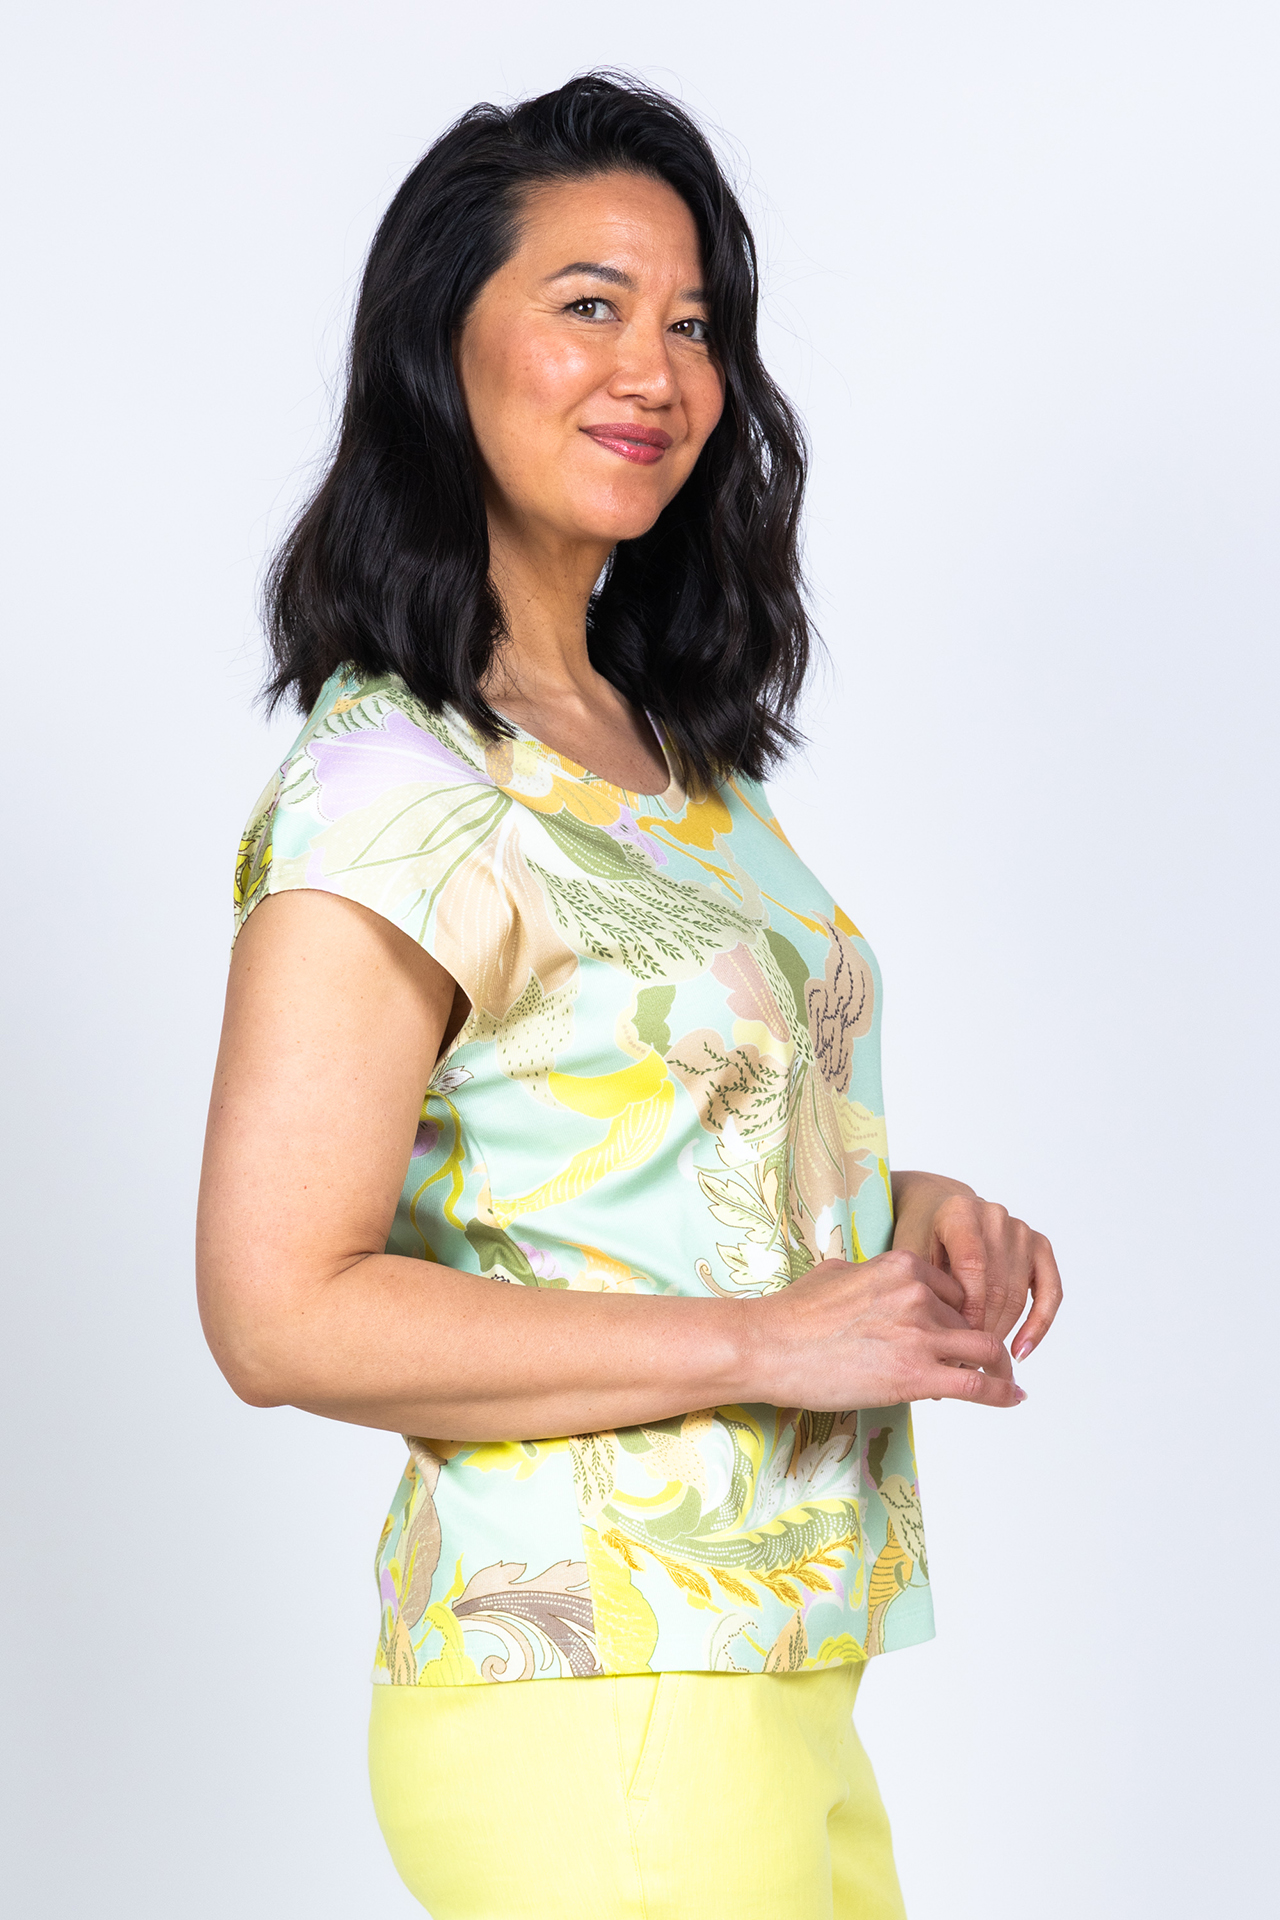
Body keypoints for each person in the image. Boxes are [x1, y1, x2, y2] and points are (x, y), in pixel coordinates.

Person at [197, 73, 1062, 1920]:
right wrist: (761, 1346)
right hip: (601, 1686)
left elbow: (641, 1161)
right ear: (440, 347)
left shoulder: (673, 757)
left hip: (771, 1667)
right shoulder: (394, 786)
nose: (655, 371)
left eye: (693, 323)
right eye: (589, 304)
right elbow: (280, 1311)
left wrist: (898, 1219)